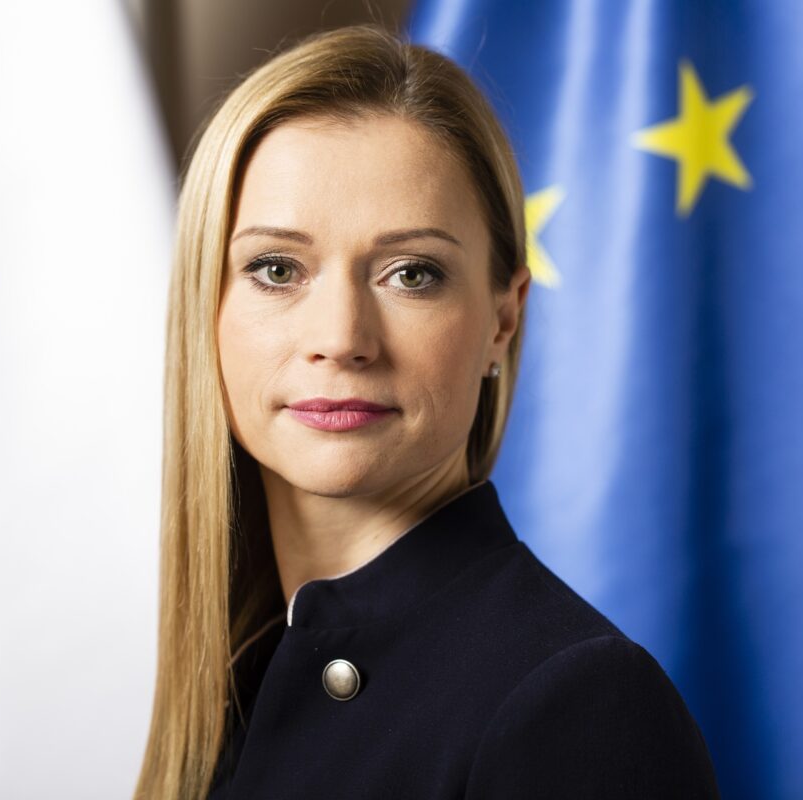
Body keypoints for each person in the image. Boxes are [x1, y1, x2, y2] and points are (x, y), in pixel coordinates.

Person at [134, 24, 719, 800]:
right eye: (276, 269)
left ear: (502, 321)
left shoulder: (579, 705)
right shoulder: (241, 678)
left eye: (412, 273)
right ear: (203, 306)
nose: (341, 339)